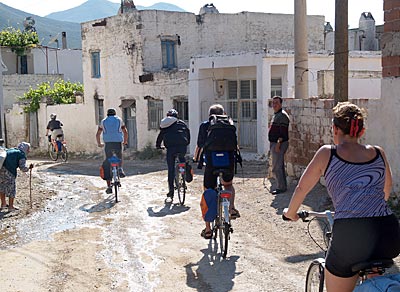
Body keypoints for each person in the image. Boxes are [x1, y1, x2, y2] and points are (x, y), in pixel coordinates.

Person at [283, 102, 400, 292]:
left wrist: (291, 212)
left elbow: (302, 188)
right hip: (387, 233)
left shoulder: (327, 153)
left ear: (335, 129)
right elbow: (386, 187)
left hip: (350, 234)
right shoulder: (378, 153)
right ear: (361, 131)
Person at [194, 104, 240, 240]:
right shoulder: (229, 124)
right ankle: (231, 208)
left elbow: (200, 145)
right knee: (228, 185)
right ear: (223, 113)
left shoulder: (205, 125)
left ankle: (208, 229)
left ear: (210, 115)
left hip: (211, 163)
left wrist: (196, 159)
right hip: (228, 162)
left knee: (208, 191)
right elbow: (235, 144)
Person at [156, 109, 190, 199]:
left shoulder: (165, 124)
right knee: (182, 159)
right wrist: (187, 143)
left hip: (171, 148)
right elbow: (188, 133)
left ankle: (171, 192)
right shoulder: (182, 123)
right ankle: (184, 171)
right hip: (182, 147)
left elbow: (160, 136)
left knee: (171, 169)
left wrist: (158, 146)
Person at [96, 108, 128, 194]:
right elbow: (125, 131)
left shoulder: (103, 121)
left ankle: (109, 186)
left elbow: (98, 133)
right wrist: (125, 142)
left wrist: (99, 143)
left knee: (107, 162)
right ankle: (120, 169)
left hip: (108, 143)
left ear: (107, 114)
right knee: (119, 155)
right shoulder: (119, 120)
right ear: (115, 114)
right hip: (117, 142)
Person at [0, 142, 34, 212]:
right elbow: (23, 168)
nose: (28, 151)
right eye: (28, 149)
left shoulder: (10, 150)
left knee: (2, 186)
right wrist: (29, 168)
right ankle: (11, 207)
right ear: (25, 148)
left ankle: (3, 204)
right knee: (12, 188)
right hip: (9, 171)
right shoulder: (21, 154)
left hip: (1, 169)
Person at [268, 96, 290, 194]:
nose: (274, 105)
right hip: (274, 143)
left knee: (276, 166)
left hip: (279, 144)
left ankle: (281, 187)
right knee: (278, 165)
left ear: (281, 104)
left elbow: (283, 132)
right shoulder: (276, 115)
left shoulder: (282, 115)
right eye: (273, 103)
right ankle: (282, 186)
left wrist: (278, 143)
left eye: (276, 103)